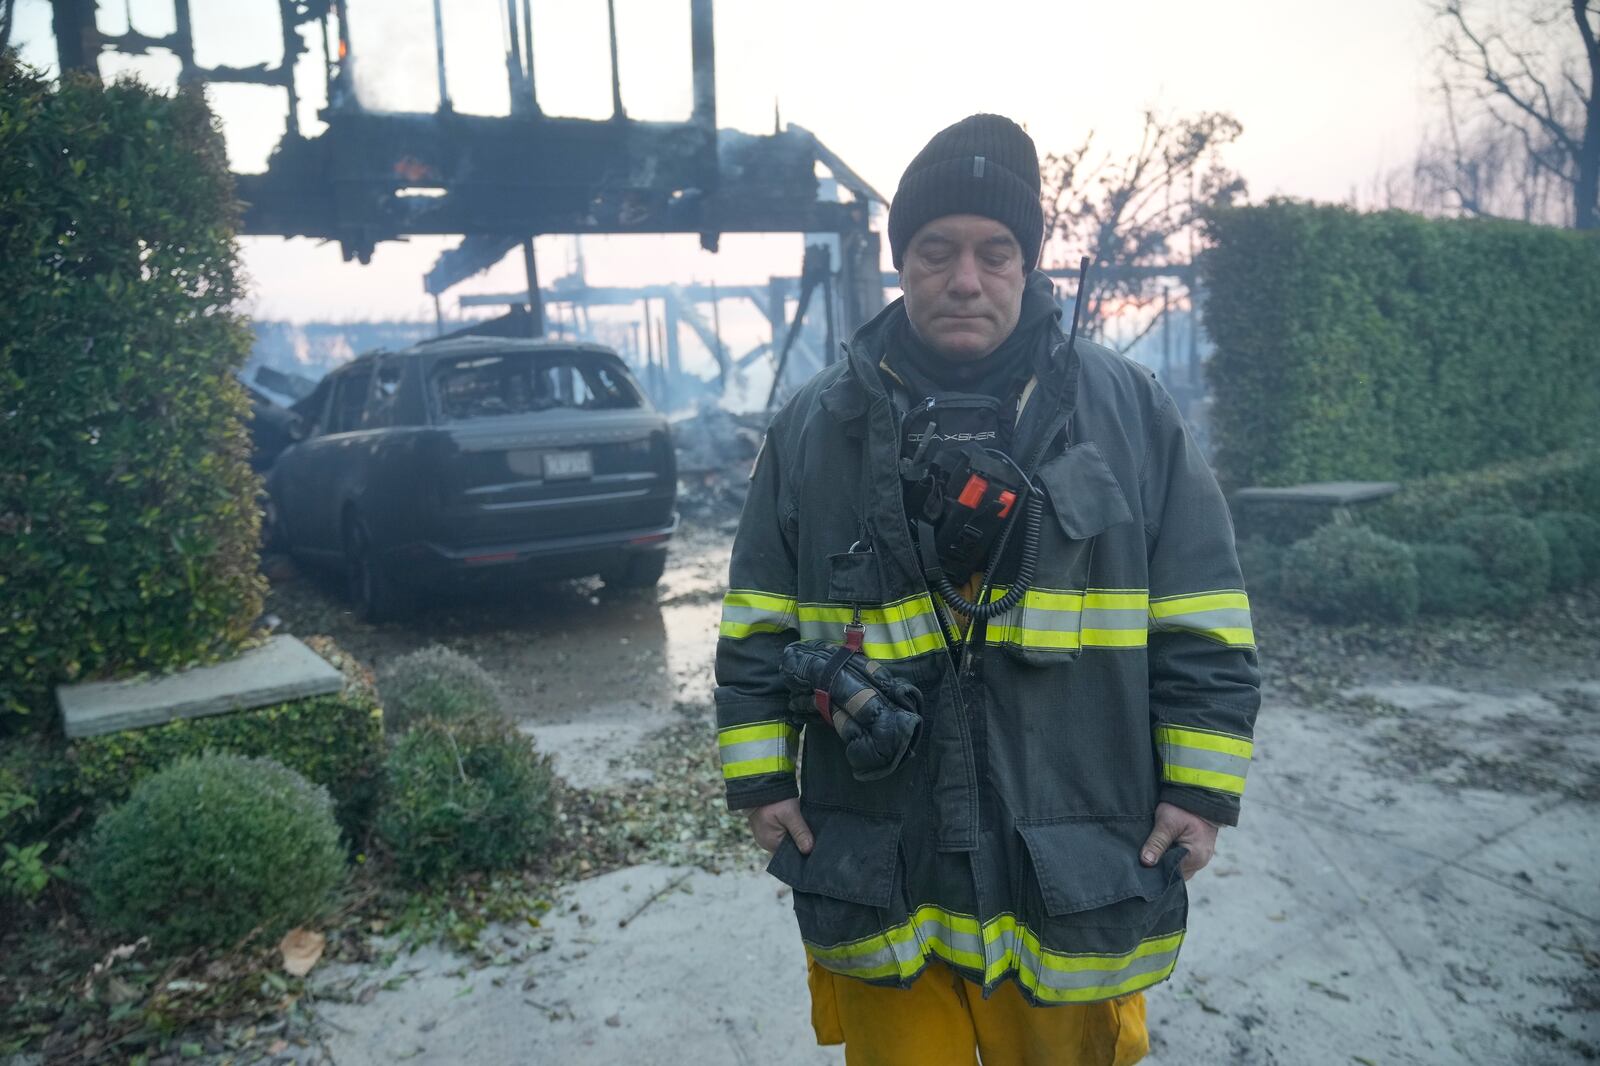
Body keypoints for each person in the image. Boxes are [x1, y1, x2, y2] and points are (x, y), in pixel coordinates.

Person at [714, 114, 1260, 1066]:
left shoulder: (1128, 415)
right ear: (901, 263)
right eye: (936, 252)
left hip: (1070, 871)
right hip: (882, 866)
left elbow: (1203, 619)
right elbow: (756, 620)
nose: (965, 279)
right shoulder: (812, 430)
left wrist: (1200, 793)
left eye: (994, 252)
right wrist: (761, 779)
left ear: (1029, 263)